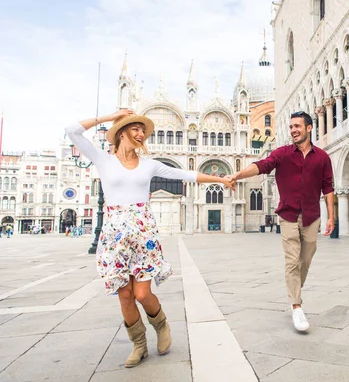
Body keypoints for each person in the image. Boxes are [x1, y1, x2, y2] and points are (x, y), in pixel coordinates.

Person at [66, 109, 235, 367]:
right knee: (124, 294)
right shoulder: (102, 159)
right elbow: (71, 130)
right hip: (114, 236)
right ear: (121, 132)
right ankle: (139, 345)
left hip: (142, 233)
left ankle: (162, 325)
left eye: (142, 130)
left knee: (143, 293)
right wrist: (108, 116)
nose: (141, 134)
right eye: (135, 129)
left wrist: (220, 180)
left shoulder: (150, 165)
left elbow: (186, 175)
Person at [228, 111, 334, 332]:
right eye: (291, 127)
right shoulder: (282, 154)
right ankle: (297, 306)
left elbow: (328, 187)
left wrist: (331, 216)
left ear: (309, 128)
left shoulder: (322, 157)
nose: (293, 130)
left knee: (306, 258)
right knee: (292, 260)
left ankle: (294, 287)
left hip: (312, 215)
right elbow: (262, 165)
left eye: (297, 126)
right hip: (287, 215)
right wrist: (238, 175)